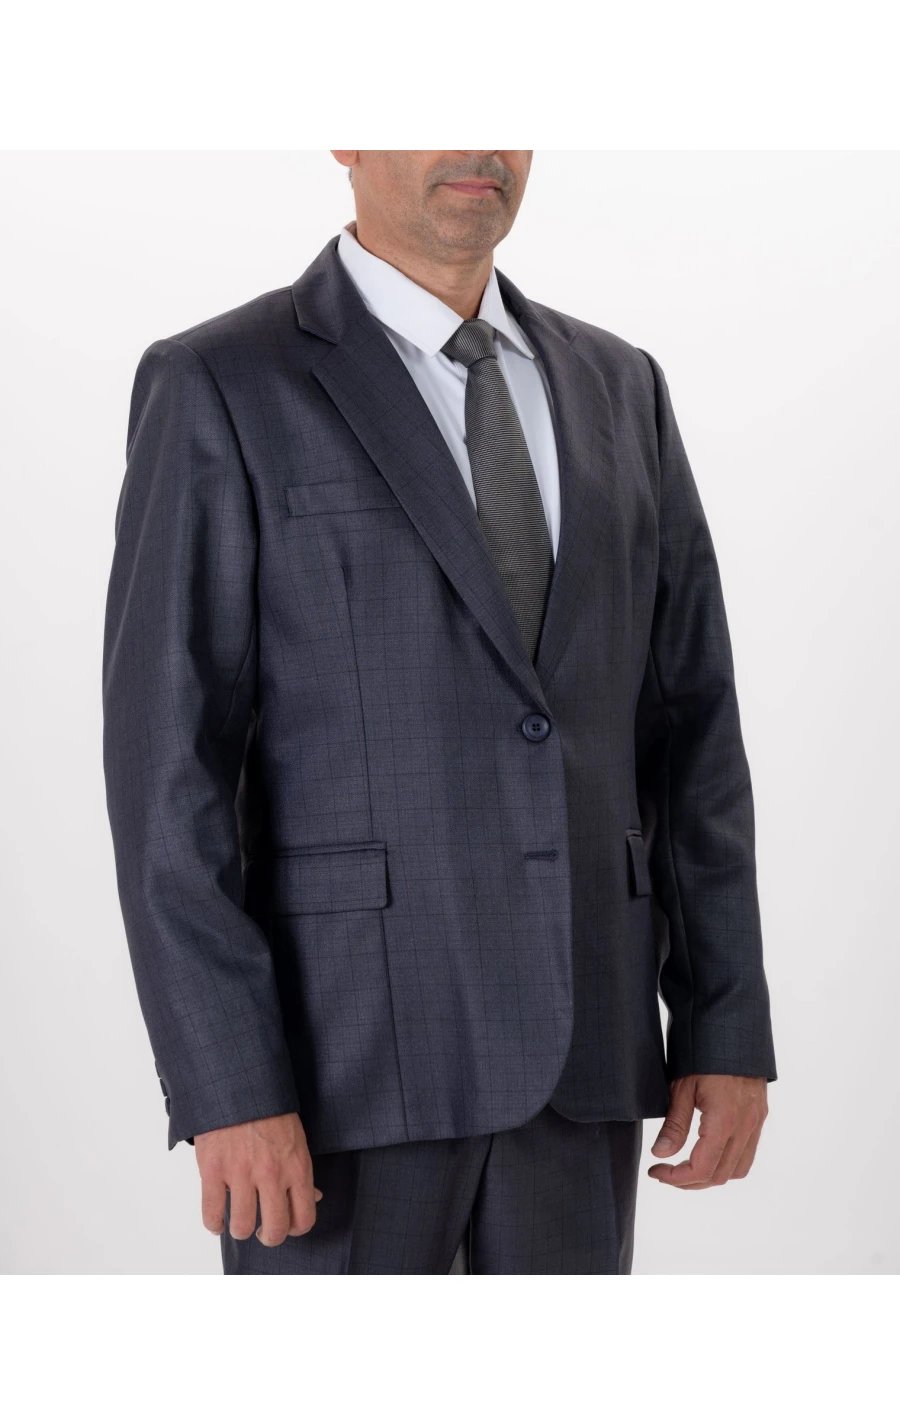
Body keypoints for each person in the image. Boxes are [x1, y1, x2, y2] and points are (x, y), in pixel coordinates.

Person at [102, 150, 776, 1275]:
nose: (477, 144)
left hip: (587, 1053)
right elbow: (168, 770)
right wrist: (229, 1082)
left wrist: (723, 1020)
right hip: (344, 1066)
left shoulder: (621, 386)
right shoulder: (222, 381)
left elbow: (693, 731)